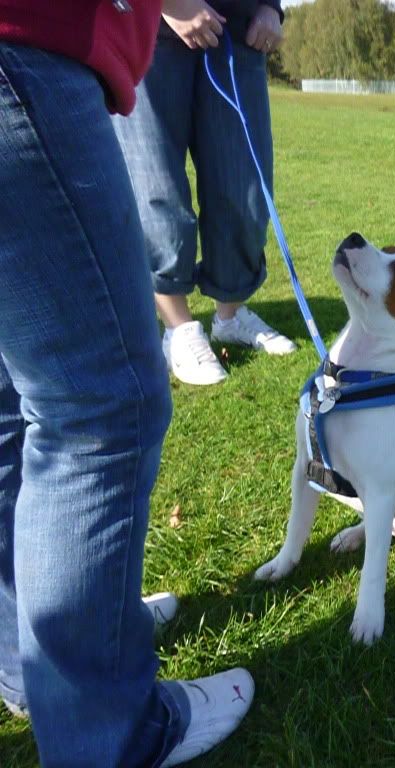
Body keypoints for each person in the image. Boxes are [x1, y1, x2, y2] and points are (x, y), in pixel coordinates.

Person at [0, 1, 253, 765]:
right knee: (101, 407)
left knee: (13, 402)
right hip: (24, 48)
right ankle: (109, 731)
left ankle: (33, 661)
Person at [113, 0, 296, 387]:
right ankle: (178, 329)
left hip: (240, 31)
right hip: (150, 29)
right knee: (155, 184)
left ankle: (230, 316)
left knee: (244, 190)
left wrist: (270, 7)